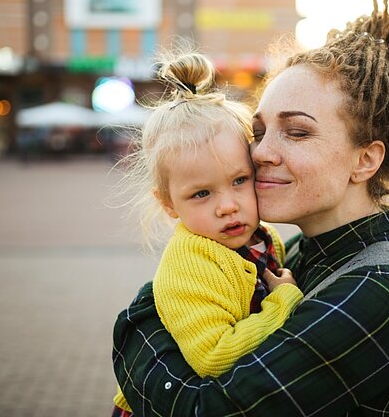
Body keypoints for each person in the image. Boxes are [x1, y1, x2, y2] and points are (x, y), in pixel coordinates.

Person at [112, 0, 389, 415]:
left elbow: (206, 410)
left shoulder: (379, 294)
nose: (261, 153)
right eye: (259, 131)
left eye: (296, 132)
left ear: (366, 160)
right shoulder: (296, 253)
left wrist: (135, 322)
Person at [111, 52, 303, 415]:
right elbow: (214, 357)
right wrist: (284, 303)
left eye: (239, 181)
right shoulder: (192, 263)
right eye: (202, 193)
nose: (227, 206)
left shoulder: (262, 237)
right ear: (169, 203)